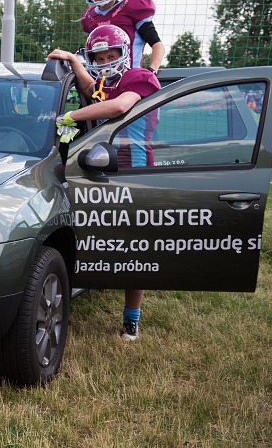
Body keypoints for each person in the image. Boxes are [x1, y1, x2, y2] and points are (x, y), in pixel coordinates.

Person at [47, 25, 160, 341]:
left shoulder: (138, 77)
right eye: (99, 58)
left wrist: (72, 116)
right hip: (100, 169)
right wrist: (73, 60)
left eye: (111, 56)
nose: (106, 62)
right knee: (102, 239)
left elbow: (120, 105)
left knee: (134, 250)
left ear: (124, 53)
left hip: (134, 173)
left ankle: (131, 319)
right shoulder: (104, 84)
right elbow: (91, 87)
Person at [79, 0, 166, 74]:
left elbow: (157, 44)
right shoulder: (89, 17)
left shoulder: (130, 6)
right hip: (104, 79)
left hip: (132, 77)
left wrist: (152, 70)